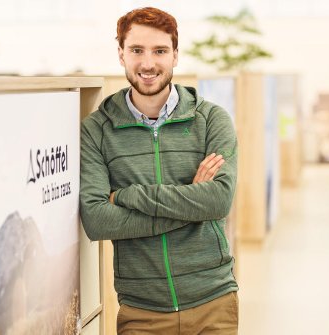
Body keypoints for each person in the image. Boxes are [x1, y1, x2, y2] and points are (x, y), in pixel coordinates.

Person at [80, 7, 239, 334]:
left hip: (214, 301)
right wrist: (194, 204)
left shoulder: (211, 120)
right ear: (121, 54)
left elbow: (219, 201)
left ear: (176, 56)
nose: (148, 63)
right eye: (137, 50)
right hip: (142, 311)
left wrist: (127, 196)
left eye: (160, 51)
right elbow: (97, 220)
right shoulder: (97, 130)